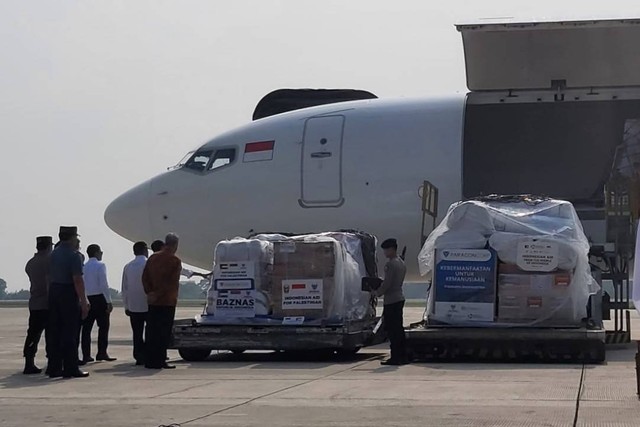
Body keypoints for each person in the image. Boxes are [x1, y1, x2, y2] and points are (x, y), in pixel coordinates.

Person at [48, 226, 90, 378]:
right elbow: (77, 279)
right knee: (70, 332)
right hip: (67, 292)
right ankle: (71, 367)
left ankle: (54, 367)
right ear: (72, 238)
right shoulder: (74, 256)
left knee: (55, 332)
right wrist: (84, 302)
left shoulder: (53, 254)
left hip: (54, 292)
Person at [142, 233, 182, 369]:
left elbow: (145, 277)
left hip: (153, 301)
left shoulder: (153, 258)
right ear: (175, 245)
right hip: (166, 301)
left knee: (151, 331)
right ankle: (160, 360)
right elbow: (170, 282)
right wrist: (158, 294)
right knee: (163, 333)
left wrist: (150, 293)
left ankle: (150, 360)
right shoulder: (174, 261)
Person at [22, 236, 53, 375]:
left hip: (34, 302)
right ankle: (52, 361)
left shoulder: (31, 263)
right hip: (46, 303)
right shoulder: (48, 261)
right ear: (48, 247)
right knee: (51, 335)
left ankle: (29, 361)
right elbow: (48, 282)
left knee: (33, 334)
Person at [81, 244, 116, 363]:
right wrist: (109, 301)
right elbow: (103, 284)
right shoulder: (101, 265)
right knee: (103, 327)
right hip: (100, 299)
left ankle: (86, 354)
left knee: (86, 328)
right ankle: (102, 352)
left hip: (88, 298)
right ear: (96, 253)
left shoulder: (84, 266)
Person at [376, 238, 409, 366]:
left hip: (391, 300)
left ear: (391, 249)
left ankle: (395, 357)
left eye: (386, 250)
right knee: (399, 329)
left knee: (392, 331)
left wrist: (377, 293)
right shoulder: (401, 262)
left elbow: (387, 283)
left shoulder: (390, 264)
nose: (384, 252)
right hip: (399, 297)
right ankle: (403, 356)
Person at [121, 241, 149, 366]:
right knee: (150, 331)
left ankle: (139, 356)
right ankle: (150, 353)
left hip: (133, 306)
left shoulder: (128, 266)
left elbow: (124, 288)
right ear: (145, 250)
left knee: (137, 333)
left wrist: (126, 306)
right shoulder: (149, 264)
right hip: (148, 304)